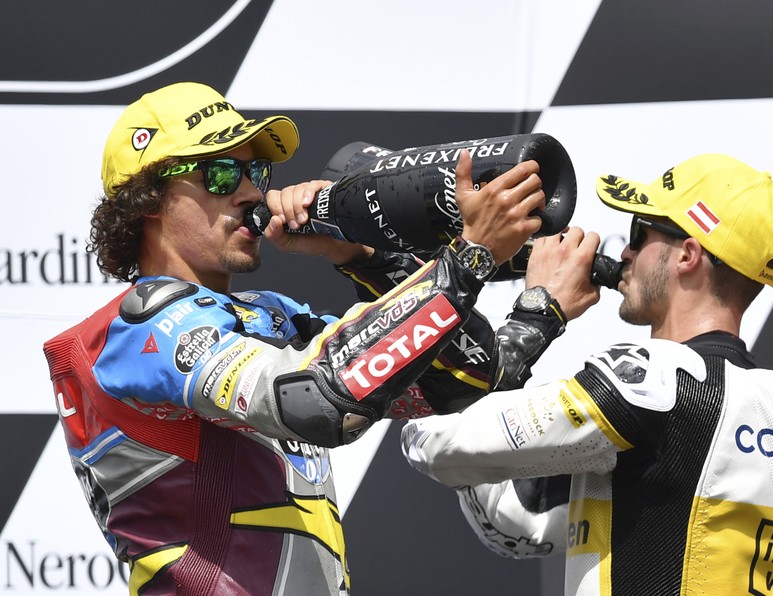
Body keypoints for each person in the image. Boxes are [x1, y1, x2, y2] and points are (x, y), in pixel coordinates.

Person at [42, 81, 551, 595]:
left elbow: (461, 381)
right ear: (148, 198)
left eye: (256, 173)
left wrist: (359, 255)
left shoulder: (270, 315)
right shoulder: (138, 328)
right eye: (221, 172)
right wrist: (468, 256)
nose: (251, 192)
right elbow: (319, 403)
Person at [402, 154, 773, 595]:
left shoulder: (657, 385)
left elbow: (441, 447)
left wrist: (538, 313)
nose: (624, 251)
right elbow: (516, 518)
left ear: (688, 256)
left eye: (640, 235)